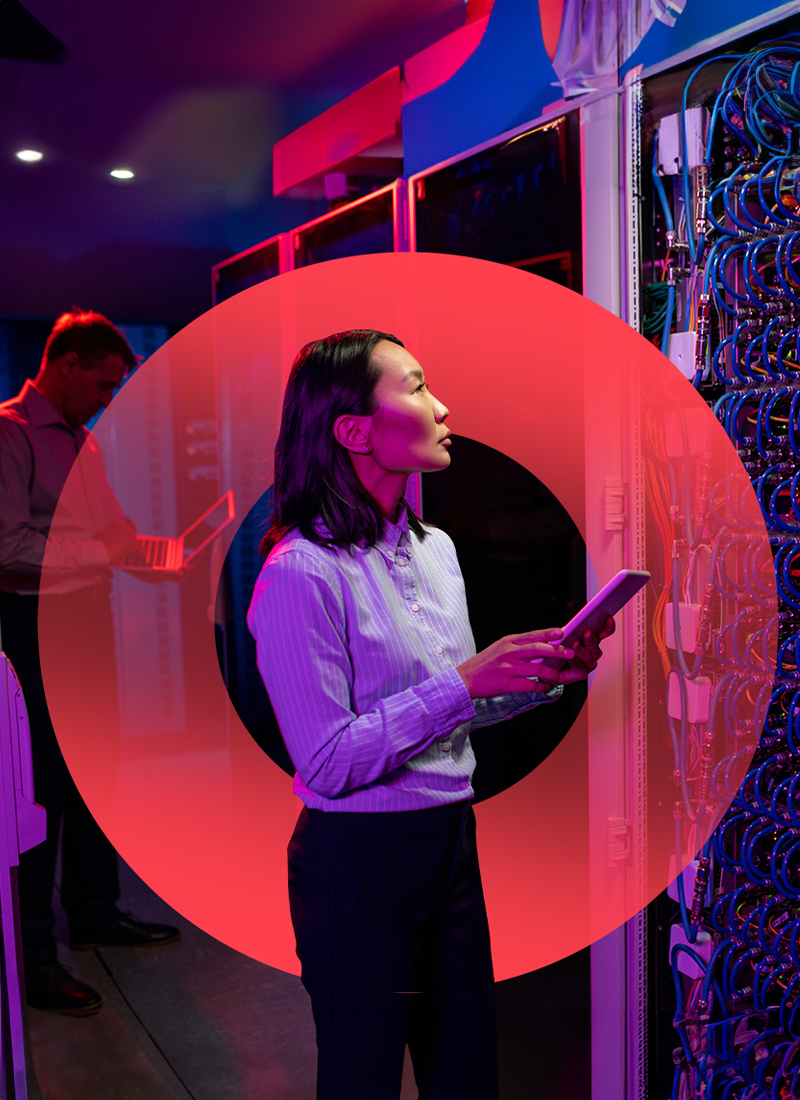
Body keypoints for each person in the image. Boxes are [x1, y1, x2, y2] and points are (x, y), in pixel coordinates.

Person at [247, 330, 614, 1100]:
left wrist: (541, 678)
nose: (441, 406)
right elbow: (328, 762)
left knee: (466, 1074)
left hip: (449, 843)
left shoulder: (436, 548)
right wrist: (463, 683)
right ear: (353, 431)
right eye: (415, 387)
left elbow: (451, 713)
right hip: (357, 861)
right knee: (362, 1078)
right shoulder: (299, 574)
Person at [0, 309, 179, 1018]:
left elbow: (110, 529)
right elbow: (5, 548)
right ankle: (36, 959)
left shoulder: (82, 441)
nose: (106, 399)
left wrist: (154, 552)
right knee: (40, 789)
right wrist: (102, 553)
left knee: (94, 773)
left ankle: (96, 913)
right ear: (66, 364)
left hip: (81, 624)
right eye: (101, 385)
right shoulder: (9, 433)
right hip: (30, 629)